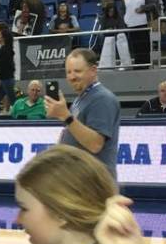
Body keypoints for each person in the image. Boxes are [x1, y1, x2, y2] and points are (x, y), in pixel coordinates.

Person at [46, 49, 120, 180]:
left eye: (77, 71)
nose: (72, 76)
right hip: (79, 182)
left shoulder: (102, 99)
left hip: (95, 185)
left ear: (93, 70)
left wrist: (65, 115)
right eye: (68, 72)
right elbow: (74, 132)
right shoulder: (81, 98)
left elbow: (95, 144)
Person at [0, 23, 15, 115]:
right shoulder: (3, 49)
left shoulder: (6, 50)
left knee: (13, 100)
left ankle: (18, 116)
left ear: (4, 37)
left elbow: (3, 67)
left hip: (7, 79)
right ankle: (1, 115)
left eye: (0, 35)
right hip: (4, 78)